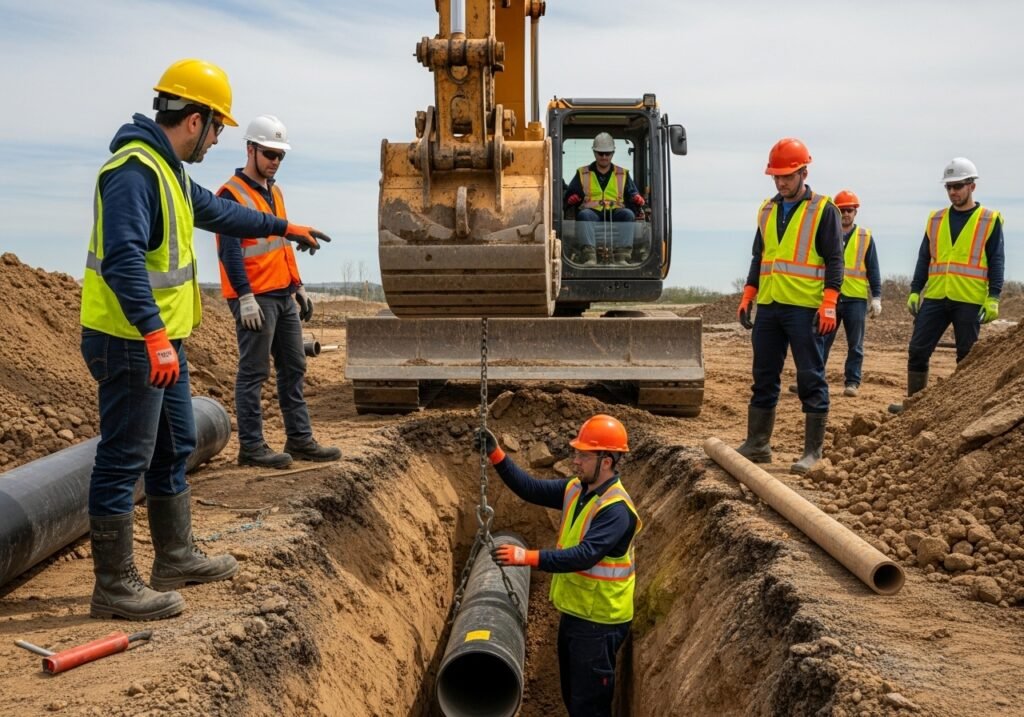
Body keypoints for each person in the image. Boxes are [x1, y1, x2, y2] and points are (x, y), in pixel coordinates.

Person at [80, 58, 331, 621]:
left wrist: (283, 227)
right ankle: (114, 586)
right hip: (130, 340)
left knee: (174, 446)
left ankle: (174, 557)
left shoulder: (167, 171)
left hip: (161, 340)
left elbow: (219, 212)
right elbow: (122, 259)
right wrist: (153, 335)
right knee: (123, 459)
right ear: (195, 120)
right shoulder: (134, 171)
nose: (217, 140)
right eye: (217, 127)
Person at [475, 415, 640, 717]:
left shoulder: (616, 510)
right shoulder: (578, 490)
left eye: (583, 455)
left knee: (588, 706)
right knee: (573, 696)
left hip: (600, 622)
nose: (575, 460)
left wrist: (527, 558)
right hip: (577, 611)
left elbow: (584, 555)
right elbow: (531, 489)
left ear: (606, 461)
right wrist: (496, 455)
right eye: (576, 453)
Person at [216, 115, 341, 469]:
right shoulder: (231, 194)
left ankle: (299, 439)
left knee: (294, 366)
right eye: (269, 154)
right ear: (250, 149)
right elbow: (229, 252)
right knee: (254, 372)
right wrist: (244, 297)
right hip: (255, 298)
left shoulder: (275, 192)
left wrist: (297, 286)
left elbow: (282, 244)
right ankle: (252, 447)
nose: (275, 161)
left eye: (280, 156)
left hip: (282, 294)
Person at [735, 138, 844, 475]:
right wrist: (748, 294)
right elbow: (760, 256)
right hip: (770, 305)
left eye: (787, 176)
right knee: (763, 375)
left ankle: (813, 452)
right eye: (776, 177)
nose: (781, 183)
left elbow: (835, 259)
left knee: (810, 376)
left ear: (803, 173)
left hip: (805, 307)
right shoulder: (767, 210)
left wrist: (829, 303)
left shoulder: (823, 210)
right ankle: (758, 444)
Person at [889, 157, 1004, 413]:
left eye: (958, 186)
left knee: (967, 357)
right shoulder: (936, 219)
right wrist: (915, 290)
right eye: (949, 187)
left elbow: (997, 260)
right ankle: (914, 406)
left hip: (969, 299)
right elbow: (924, 257)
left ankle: (963, 411)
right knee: (917, 350)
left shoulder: (988, 220)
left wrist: (994, 297)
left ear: (972, 186)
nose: (953, 192)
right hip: (936, 296)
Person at [822, 190, 882, 398]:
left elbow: (873, 269)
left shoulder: (865, 237)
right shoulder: (826, 234)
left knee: (855, 344)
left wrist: (876, 297)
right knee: (821, 340)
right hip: (830, 297)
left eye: (849, 210)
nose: (846, 214)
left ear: (855, 212)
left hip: (855, 299)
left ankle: (852, 382)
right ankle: (813, 378)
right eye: (842, 210)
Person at [564, 132, 646, 266]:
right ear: (594, 152)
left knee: (628, 214)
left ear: (612, 153)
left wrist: (637, 199)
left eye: (607, 153)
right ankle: (589, 256)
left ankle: (622, 256)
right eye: (600, 153)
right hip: (592, 213)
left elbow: (632, 194)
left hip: (616, 212)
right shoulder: (582, 173)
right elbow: (569, 196)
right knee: (584, 215)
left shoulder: (622, 173)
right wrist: (570, 199)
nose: (604, 157)